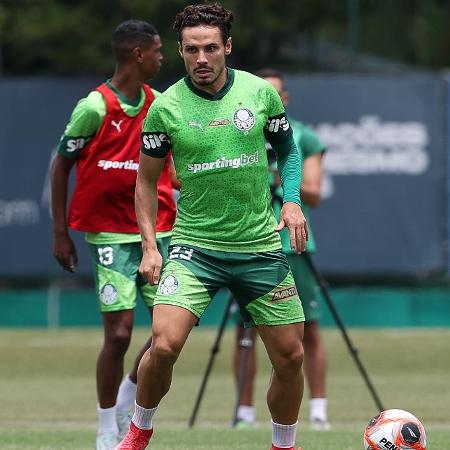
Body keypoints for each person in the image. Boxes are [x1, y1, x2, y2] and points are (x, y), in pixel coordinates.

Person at [117, 4, 308, 450]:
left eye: (209, 48)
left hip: (259, 246)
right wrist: (150, 247)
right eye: (190, 50)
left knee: (290, 357)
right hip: (194, 248)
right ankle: (139, 431)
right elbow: (145, 181)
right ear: (181, 52)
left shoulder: (260, 93)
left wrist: (293, 202)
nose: (201, 58)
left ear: (227, 48)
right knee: (163, 345)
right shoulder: (165, 108)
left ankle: (284, 445)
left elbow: (289, 150)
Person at [50, 20, 176, 450]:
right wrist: (60, 233)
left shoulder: (159, 104)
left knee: (167, 334)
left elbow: (169, 167)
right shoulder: (95, 106)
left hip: (156, 231)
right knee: (119, 334)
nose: (164, 57)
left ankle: (128, 394)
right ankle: (107, 427)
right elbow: (61, 165)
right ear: (138, 54)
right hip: (108, 235)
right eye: (158, 50)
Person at [233, 68, 329, 431]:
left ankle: (318, 410)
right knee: (246, 331)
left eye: (274, 93)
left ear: (283, 99)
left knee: (309, 328)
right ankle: (244, 412)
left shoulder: (304, 136)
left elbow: (315, 193)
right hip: (249, 242)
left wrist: (276, 178)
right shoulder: (240, 130)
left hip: (293, 242)